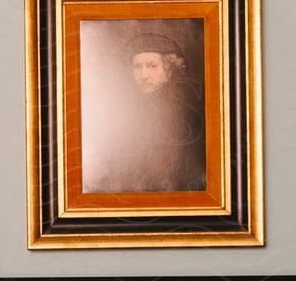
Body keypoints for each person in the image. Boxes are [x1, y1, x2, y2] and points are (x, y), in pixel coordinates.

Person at [86, 33, 206, 193]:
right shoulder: (126, 104)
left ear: (169, 70)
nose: (143, 75)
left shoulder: (182, 108)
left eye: (152, 66)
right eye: (137, 67)